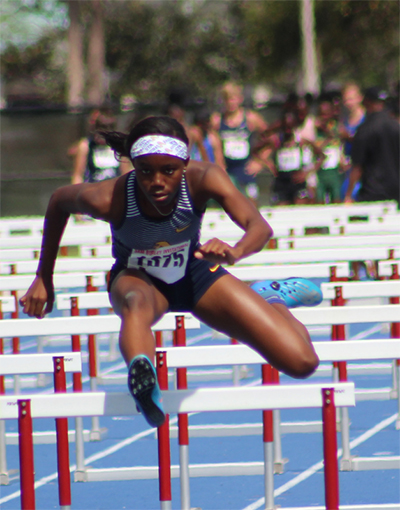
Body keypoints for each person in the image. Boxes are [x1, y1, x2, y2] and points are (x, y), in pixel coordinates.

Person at [20, 115, 322, 429]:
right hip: (138, 278)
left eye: (169, 170)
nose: (157, 182)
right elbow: (58, 201)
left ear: (185, 165)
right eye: (146, 171)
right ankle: (144, 381)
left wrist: (236, 251)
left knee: (302, 363)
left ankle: (271, 298)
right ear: (134, 165)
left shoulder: (205, 178)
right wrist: (44, 277)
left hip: (195, 276)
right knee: (135, 303)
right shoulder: (109, 198)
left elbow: (259, 227)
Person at [211, 82, 269, 205]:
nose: (231, 103)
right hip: (228, 170)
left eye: (233, 98)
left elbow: (271, 139)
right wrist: (220, 166)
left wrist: (260, 161)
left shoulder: (250, 118)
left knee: (251, 205)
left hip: (246, 169)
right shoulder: (217, 120)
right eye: (227, 99)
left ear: (240, 99)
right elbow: (215, 146)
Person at [252, 109, 325, 206]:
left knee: (300, 207)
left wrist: (307, 172)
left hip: (297, 179)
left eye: (290, 128)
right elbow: (255, 151)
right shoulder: (276, 141)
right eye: (285, 128)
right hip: (282, 180)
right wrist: (268, 165)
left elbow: (321, 156)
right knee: (281, 209)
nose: (287, 131)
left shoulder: (301, 141)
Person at [344, 86, 400, 206]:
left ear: (367, 102)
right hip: (396, 191)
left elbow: (357, 166)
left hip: (373, 192)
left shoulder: (365, 129)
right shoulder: (396, 126)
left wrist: (348, 194)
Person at [71, 109, 131, 185]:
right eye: (100, 127)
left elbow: (126, 174)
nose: (102, 133)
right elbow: (78, 175)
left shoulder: (120, 147)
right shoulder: (85, 146)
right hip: (92, 191)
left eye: (107, 128)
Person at [314, 96, 346, 204]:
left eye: (326, 114)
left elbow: (343, 138)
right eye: (321, 114)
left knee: (336, 197)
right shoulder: (315, 130)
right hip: (321, 171)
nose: (324, 117)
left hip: (334, 170)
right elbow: (317, 148)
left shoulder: (337, 127)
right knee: (319, 199)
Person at [339, 82, 366, 201]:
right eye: (346, 100)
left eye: (351, 99)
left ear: (360, 98)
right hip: (349, 168)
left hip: (363, 169)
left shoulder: (366, 119)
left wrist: (349, 136)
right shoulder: (344, 121)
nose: (348, 103)